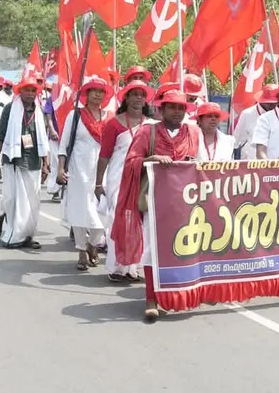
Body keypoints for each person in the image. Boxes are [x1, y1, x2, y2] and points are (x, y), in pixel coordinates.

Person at [112, 90, 200, 320]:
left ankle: (176, 296)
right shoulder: (147, 132)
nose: (177, 112)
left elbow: (198, 165)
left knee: (182, 249)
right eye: (172, 107)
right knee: (153, 250)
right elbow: (131, 163)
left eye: (181, 108)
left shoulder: (192, 132)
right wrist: (151, 160)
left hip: (184, 203)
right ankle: (151, 299)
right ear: (161, 110)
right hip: (154, 202)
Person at [96, 80, 155, 282]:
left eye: (142, 94)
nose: (138, 98)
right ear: (126, 98)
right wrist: (98, 184)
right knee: (117, 219)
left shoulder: (152, 125)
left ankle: (133, 267)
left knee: (140, 222)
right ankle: (116, 267)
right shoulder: (113, 123)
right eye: (134, 94)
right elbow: (104, 155)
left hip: (143, 178)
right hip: (118, 178)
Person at [0, 74, 50, 249]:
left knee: (32, 201)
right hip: (13, 158)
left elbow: (43, 139)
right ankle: (1, 215)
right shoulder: (10, 109)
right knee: (11, 199)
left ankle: (25, 235)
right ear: (20, 91)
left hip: (33, 160)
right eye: (26, 90)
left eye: (33, 90)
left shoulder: (39, 111)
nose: (30, 93)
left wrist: (46, 163)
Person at [58, 77, 109, 272]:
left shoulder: (107, 117)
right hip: (78, 170)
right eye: (94, 90)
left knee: (101, 214)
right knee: (80, 211)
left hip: (101, 171)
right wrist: (61, 169)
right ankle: (81, 250)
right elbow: (64, 144)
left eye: (101, 91)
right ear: (86, 94)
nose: (98, 94)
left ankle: (93, 243)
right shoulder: (75, 115)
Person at [232, 84, 277, 160]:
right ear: (262, 100)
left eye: (276, 102)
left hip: (276, 163)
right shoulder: (247, 114)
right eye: (270, 103)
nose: (274, 105)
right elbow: (236, 140)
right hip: (252, 163)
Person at [42, 82, 63, 203]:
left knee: (68, 164)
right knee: (56, 163)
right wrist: (52, 130)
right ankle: (55, 190)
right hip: (55, 137)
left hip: (68, 136)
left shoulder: (71, 98)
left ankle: (66, 189)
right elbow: (48, 116)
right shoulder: (52, 99)